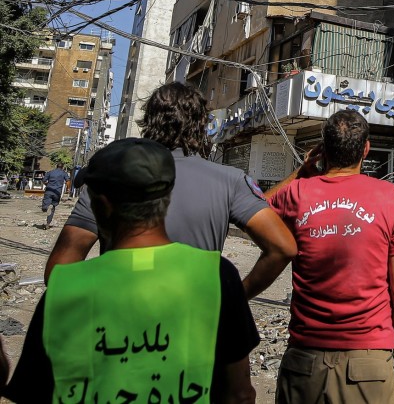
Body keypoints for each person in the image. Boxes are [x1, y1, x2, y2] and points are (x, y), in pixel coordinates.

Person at [3, 138, 258, 404]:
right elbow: (240, 394)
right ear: (166, 199)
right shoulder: (217, 276)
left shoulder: (64, 290)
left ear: (102, 207)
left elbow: (34, 393)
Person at [45, 82, 296, 297]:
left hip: (120, 335)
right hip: (198, 335)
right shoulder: (231, 180)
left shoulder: (112, 177)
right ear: (202, 125)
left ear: (148, 122)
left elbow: (59, 274)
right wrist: (235, 300)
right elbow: (283, 247)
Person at [266, 110, 394, 404]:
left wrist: (301, 172)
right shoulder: (388, 197)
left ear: (322, 150)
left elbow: (252, 210)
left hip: (304, 365)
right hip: (370, 368)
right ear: (366, 149)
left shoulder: (297, 193)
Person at [40, 162, 69, 229]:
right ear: (62, 167)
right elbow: (68, 181)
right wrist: (68, 189)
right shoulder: (64, 173)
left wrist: (47, 184)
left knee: (45, 205)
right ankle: (48, 223)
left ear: (56, 166)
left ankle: (45, 207)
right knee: (53, 208)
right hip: (57, 192)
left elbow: (44, 180)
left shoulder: (50, 172)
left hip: (49, 191)